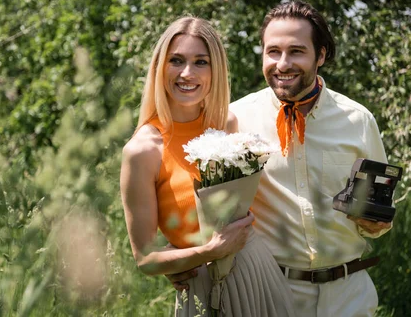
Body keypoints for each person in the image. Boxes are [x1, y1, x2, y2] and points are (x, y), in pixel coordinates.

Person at [120, 16, 296, 316]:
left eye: (201, 62)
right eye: (176, 60)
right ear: (159, 67)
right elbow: (145, 259)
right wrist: (205, 253)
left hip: (256, 271)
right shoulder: (143, 150)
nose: (187, 73)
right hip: (202, 285)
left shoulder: (225, 124)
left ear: (215, 71)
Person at [229, 0, 392, 316]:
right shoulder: (237, 119)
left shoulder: (358, 121)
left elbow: (379, 216)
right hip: (270, 293)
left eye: (297, 51)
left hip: (350, 295)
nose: (283, 63)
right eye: (273, 51)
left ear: (321, 55)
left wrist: (375, 222)